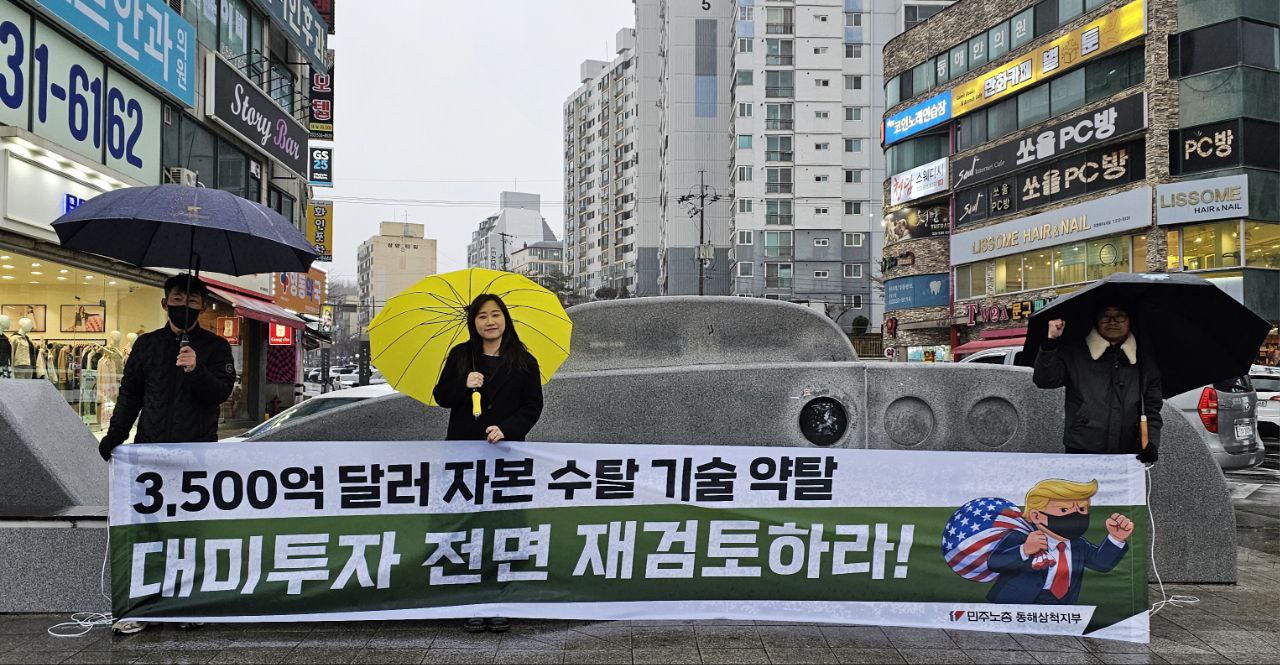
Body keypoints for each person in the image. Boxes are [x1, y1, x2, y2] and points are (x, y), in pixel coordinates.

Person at [97, 275, 236, 635]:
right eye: (177, 300)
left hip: (195, 456)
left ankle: (189, 603)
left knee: (190, 532)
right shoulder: (146, 346)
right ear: (164, 303)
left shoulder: (216, 348)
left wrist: (195, 369)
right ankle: (143, 606)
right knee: (149, 532)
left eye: (192, 302)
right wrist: (115, 436)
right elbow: (130, 396)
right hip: (150, 454)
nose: (184, 307)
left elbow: (220, 393)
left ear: (202, 307)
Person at [432, 294, 543, 633]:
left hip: (506, 455)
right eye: (482, 316)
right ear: (474, 322)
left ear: (505, 319)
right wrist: (463, 384)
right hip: (464, 455)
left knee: (504, 525)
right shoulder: (461, 355)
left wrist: (508, 428)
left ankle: (501, 598)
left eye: (495, 314)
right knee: (466, 523)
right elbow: (441, 396)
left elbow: (533, 405)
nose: (490, 321)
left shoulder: (524, 360)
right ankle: (468, 599)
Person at [1033, 304, 1161, 463]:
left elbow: (1152, 408)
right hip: (1081, 449)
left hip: (1129, 451)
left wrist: (1150, 443)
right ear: (1096, 320)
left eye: (1120, 315)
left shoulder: (1143, 360)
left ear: (1130, 320)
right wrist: (1050, 342)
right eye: (1105, 316)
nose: (1112, 321)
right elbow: (1044, 380)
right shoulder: (1076, 353)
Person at [986, 479, 1133, 605]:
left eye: (1082, 509)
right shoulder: (1022, 537)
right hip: (1018, 603)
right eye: (1064, 509)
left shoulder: (1078, 544)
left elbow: (1101, 563)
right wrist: (1024, 550)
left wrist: (1116, 538)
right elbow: (994, 563)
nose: (1076, 515)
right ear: (1036, 516)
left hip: (1063, 605)